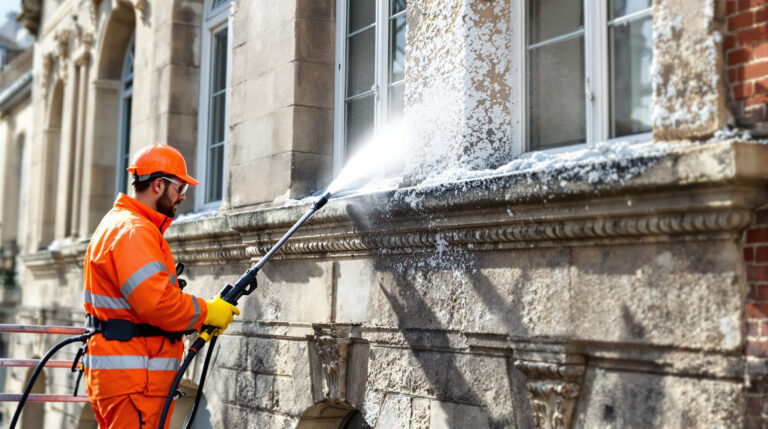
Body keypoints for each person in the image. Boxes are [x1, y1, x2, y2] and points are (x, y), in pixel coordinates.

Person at [82, 143, 239, 428]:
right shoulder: (134, 232)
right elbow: (156, 304)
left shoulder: (122, 224)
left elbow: (140, 306)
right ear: (157, 184)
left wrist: (198, 315)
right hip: (134, 383)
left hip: (127, 379)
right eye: (180, 188)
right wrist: (207, 312)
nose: (182, 196)